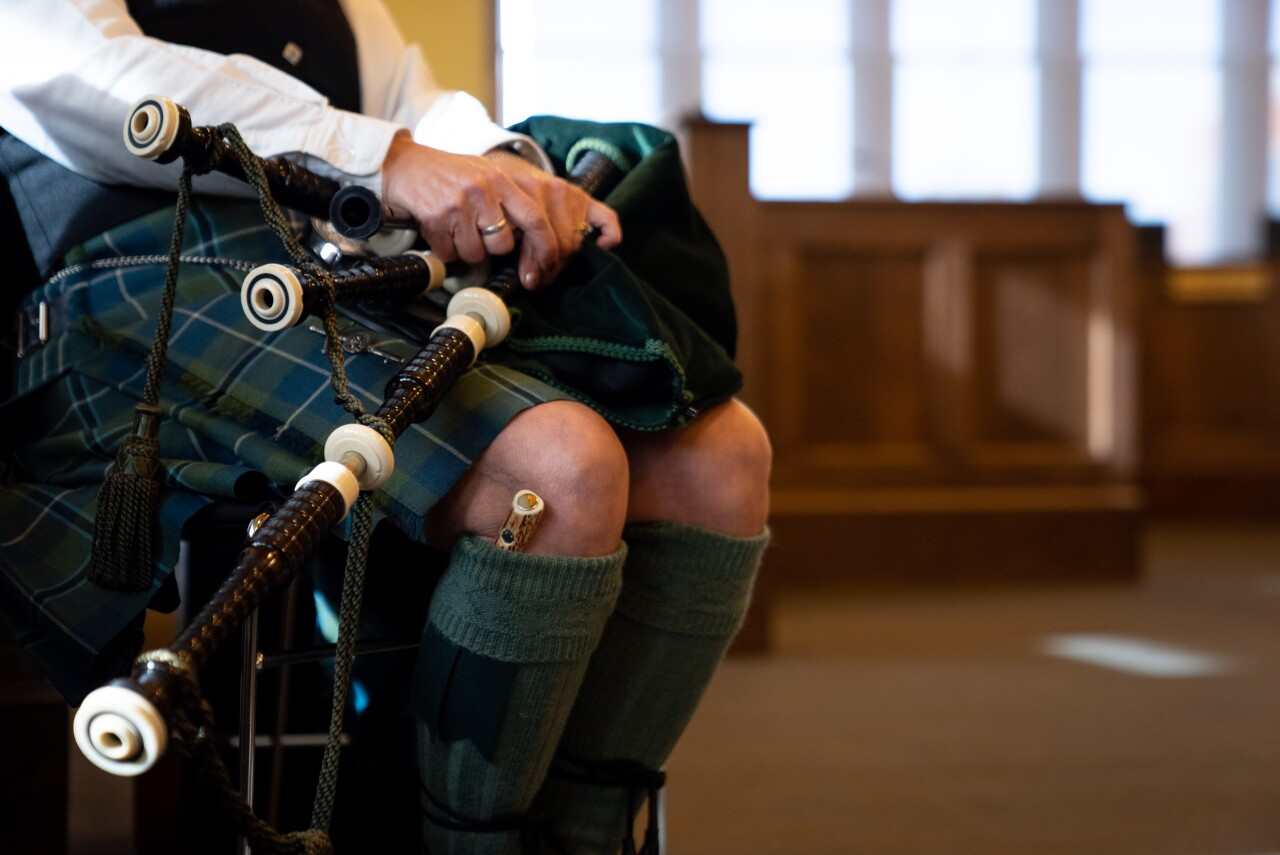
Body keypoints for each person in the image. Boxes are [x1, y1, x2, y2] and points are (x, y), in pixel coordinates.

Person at [0, 1, 771, 853]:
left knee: (721, 460)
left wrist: (508, 166)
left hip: (339, 278)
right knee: (557, 473)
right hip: (132, 293)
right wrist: (388, 159)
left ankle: (580, 832)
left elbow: (420, 106)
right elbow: (67, 71)